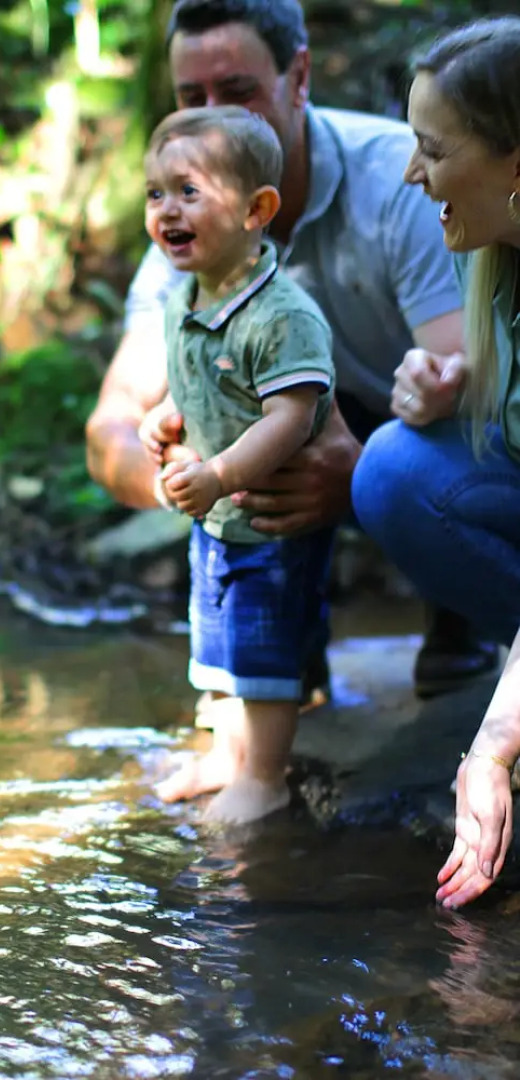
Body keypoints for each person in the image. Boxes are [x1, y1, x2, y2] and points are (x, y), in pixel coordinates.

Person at [85, 0, 495, 703]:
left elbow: (472, 388)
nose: (215, 116)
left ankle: (464, 618)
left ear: (299, 76)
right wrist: (187, 479)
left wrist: (361, 477)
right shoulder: (185, 237)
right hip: (284, 448)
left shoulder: (398, 184)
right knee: (252, 437)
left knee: (394, 450)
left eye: (237, 90)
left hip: (409, 435)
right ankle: (282, 667)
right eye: (191, 97)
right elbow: (109, 431)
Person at [351, 16, 520, 908]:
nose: (413, 173)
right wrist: (458, 387)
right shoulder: (488, 248)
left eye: (434, 150)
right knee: (394, 468)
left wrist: (493, 748)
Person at [140, 105, 335, 822]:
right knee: (217, 639)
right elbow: (195, 378)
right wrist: (167, 413)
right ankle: (227, 755)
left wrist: (220, 474)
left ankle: (265, 775)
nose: (167, 210)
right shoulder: (183, 298)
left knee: (265, 651)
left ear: (257, 211)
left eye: (188, 192)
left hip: (273, 520)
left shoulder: (281, 317)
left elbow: (291, 416)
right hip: (217, 522)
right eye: (156, 193)